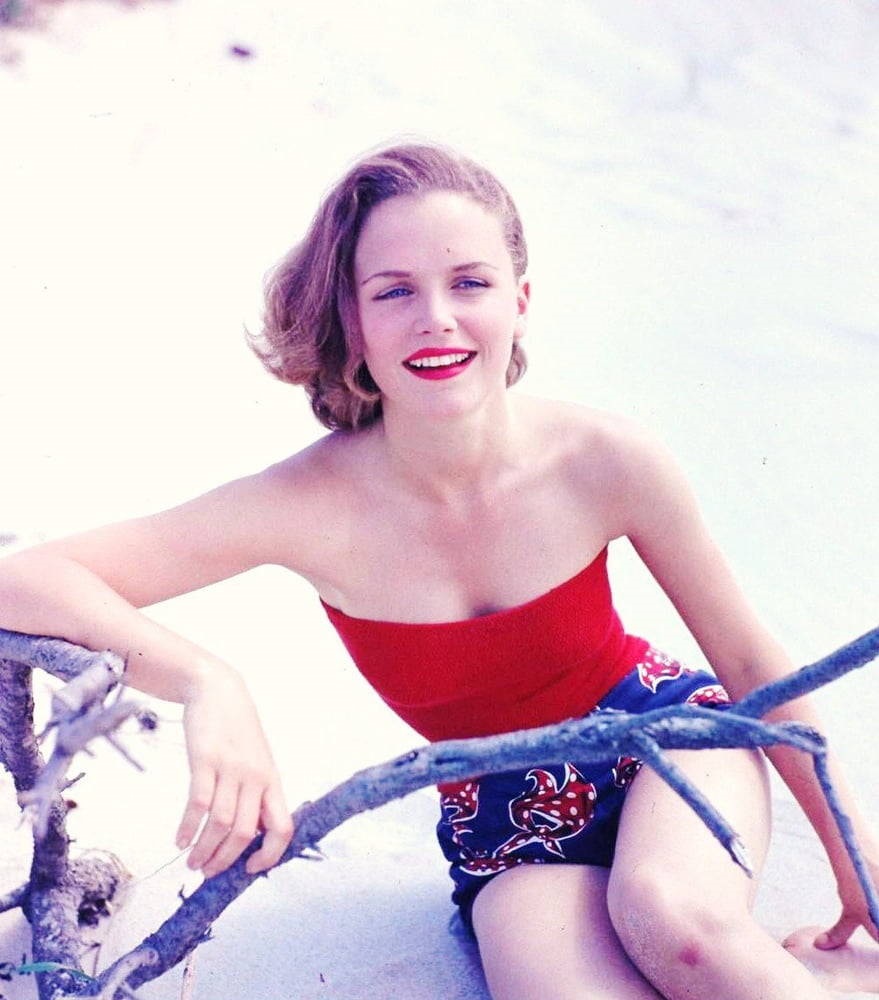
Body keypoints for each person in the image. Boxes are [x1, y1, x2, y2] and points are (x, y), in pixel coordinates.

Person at [0, 141, 876, 1000]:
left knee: (671, 918)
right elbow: (24, 576)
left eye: (469, 283)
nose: (436, 318)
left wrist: (855, 861)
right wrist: (206, 682)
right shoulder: (305, 503)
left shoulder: (605, 458)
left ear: (519, 302)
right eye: (394, 291)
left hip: (665, 738)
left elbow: (748, 660)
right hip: (506, 827)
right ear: (352, 323)